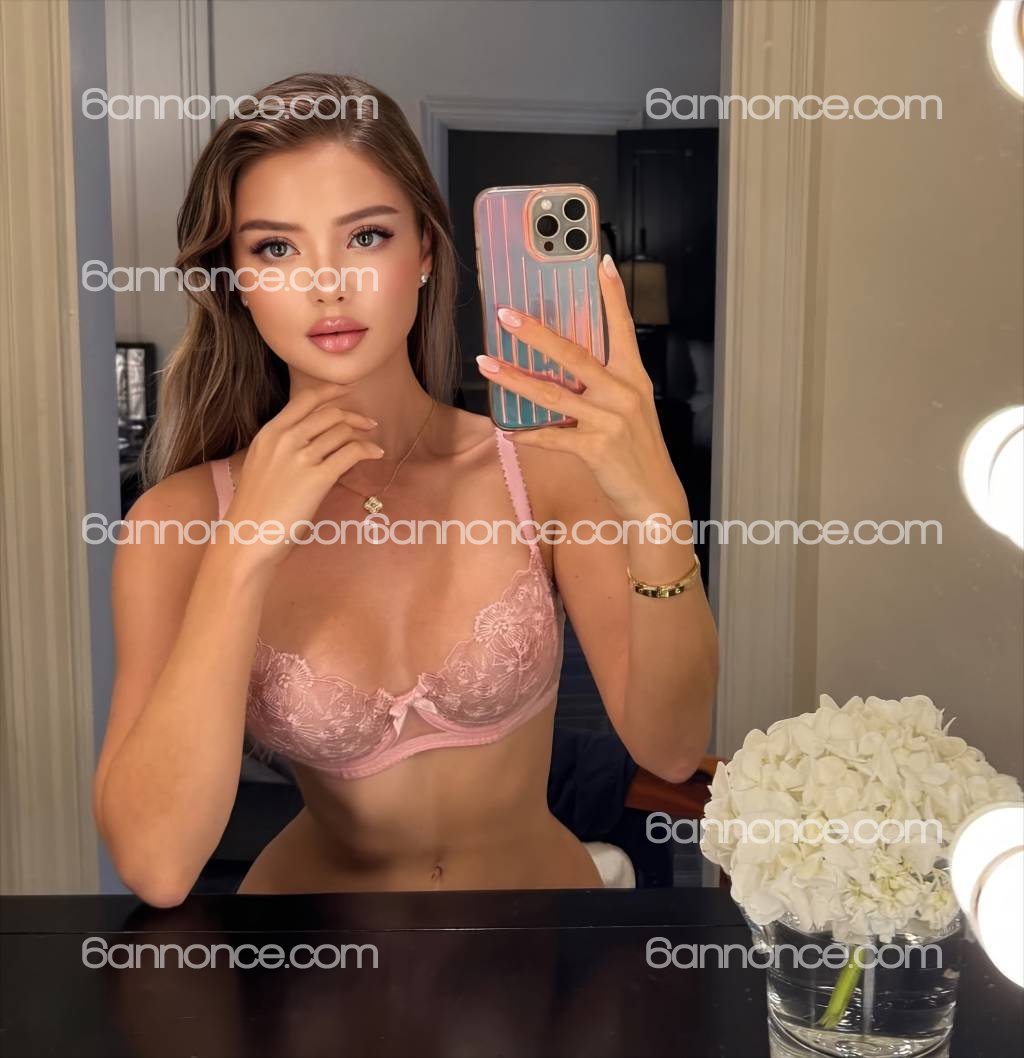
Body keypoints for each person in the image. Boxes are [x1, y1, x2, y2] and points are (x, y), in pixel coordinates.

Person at [92, 73, 718, 906]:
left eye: (366, 236)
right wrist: (243, 550)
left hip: (541, 949)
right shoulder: (177, 522)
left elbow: (670, 750)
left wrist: (657, 508)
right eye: (275, 248)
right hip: (317, 961)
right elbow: (156, 866)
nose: (327, 284)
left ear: (424, 250)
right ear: (233, 279)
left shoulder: (540, 471)